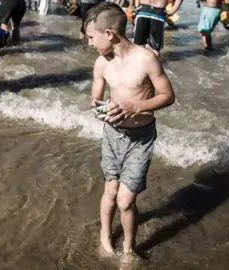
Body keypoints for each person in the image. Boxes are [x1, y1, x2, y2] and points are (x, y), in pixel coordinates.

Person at [83, 2, 175, 257]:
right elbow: (95, 97)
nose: (89, 43)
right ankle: (105, 235)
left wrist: (135, 106)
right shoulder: (102, 64)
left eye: (91, 37)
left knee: (126, 200)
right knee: (110, 191)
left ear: (109, 34)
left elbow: (168, 96)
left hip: (140, 138)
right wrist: (99, 108)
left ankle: (128, 250)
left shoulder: (146, 59)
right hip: (112, 135)